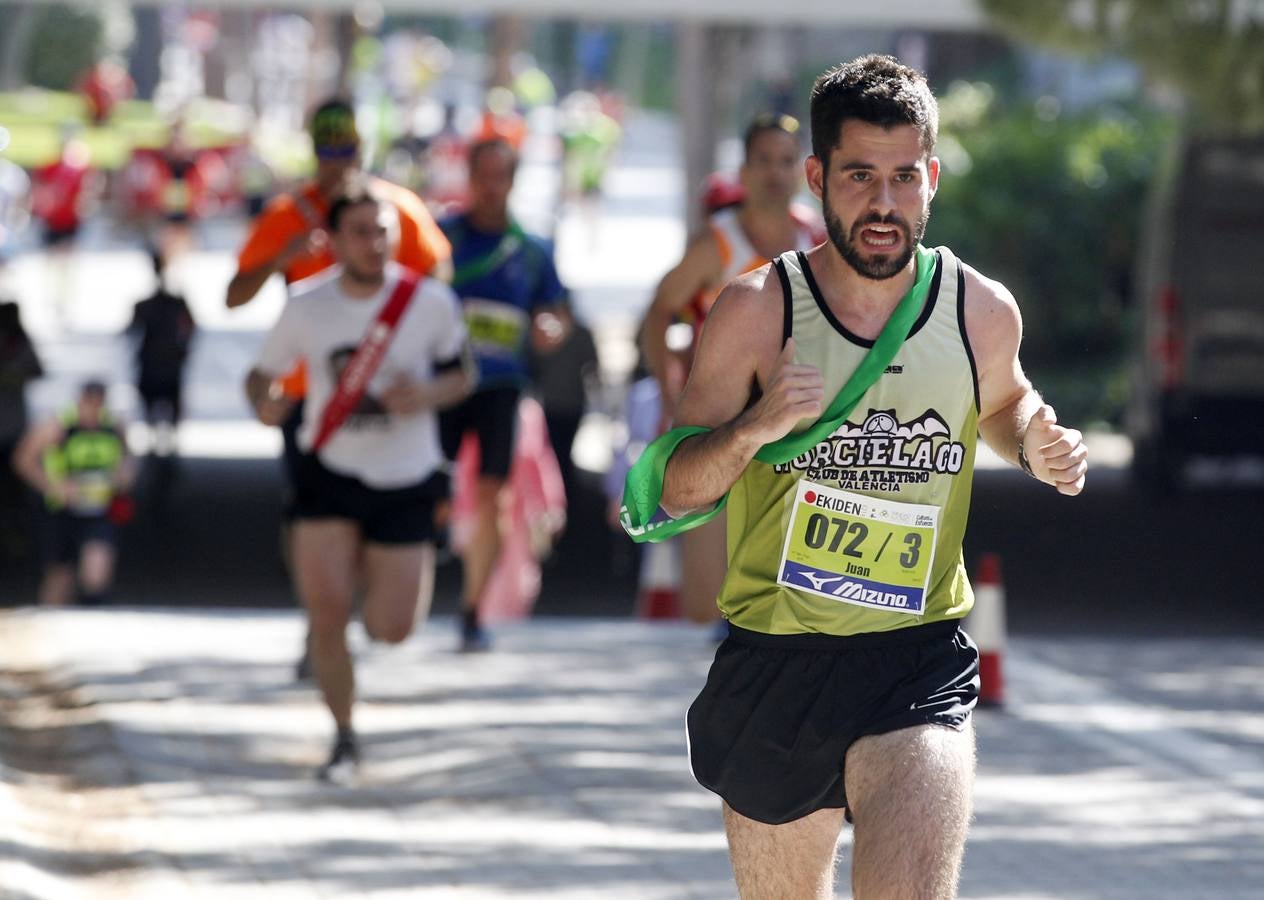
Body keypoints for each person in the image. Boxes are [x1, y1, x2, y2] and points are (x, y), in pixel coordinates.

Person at [647, 55, 1088, 898]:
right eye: (859, 177)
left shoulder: (979, 310)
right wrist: (759, 425)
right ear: (817, 178)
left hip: (915, 656)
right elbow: (678, 487)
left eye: (903, 178)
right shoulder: (757, 311)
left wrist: (1037, 441)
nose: (884, 205)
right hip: (778, 660)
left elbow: (1005, 400)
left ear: (931, 178)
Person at [244, 182, 472, 783]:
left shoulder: (430, 303)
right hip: (329, 471)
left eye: (384, 232)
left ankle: (375, 586)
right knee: (326, 611)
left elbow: (462, 376)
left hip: (406, 477)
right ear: (335, 241)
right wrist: (265, 405)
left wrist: (424, 395)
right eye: (361, 233)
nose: (374, 244)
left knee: (392, 627)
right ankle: (344, 736)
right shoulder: (306, 304)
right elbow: (260, 375)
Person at [226, 97, 450, 680]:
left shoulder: (393, 210)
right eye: (326, 151)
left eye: (345, 148)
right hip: (309, 399)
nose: (336, 162)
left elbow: (439, 277)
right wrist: (284, 256)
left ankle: (366, 602)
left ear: (361, 147)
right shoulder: (288, 214)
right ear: (312, 150)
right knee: (312, 520)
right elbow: (233, 294)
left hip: (384, 397)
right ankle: (321, 621)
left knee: (381, 512)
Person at [639, 113, 824, 625]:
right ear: (742, 171)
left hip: (794, 427)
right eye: (762, 160)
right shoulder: (716, 244)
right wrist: (667, 389)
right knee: (707, 596)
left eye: (785, 161)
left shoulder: (819, 240)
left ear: (807, 171)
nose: (774, 172)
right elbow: (657, 313)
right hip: (719, 423)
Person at [438, 138, 568, 652]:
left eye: (502, 177)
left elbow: (557, 310)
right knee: (429, 492)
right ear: (468, 179)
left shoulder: (532, 250)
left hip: (502, 388)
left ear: (513, 182)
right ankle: (409, 583)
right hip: (440, 386)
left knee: (494, 497)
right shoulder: (441, 240)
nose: (492, 188)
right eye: (482, 176)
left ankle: (472, 609)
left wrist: (549, 329)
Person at [14, 380, 136, 606]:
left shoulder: (112, 427)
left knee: (96, 573)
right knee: (60, 577)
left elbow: (128, 458)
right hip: (62, 511)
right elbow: (23, 459)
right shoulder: (57, 427)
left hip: (99, 511)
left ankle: (93, 620)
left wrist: (124, 476)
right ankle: (50, 625)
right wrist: (51, 486)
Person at [126, 247, 195, 457]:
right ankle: (162, 441)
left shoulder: (147, 305)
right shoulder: (171, 303)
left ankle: (163, 441)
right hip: (165, 360)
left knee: (159, 401)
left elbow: (130, 331)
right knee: (162, 402)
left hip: (156, 360)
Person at [0, 297, 43, 562]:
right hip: (11, 427)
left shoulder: (20, 344)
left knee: (14, 487)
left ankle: (14, 533)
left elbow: (37, 370)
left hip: (13, 429)